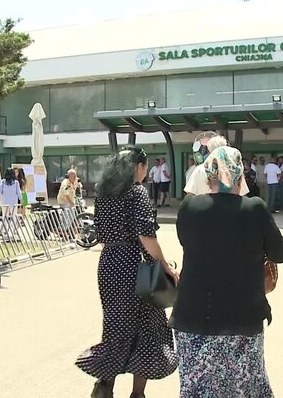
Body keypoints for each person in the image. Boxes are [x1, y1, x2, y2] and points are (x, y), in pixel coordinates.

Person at [172, 146, 283, 397]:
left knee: (197, 389)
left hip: (193, 317)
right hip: (242, 318)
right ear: (240, 176)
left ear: (208, 176)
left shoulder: (189, 208)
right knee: (244, 388)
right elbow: (282, 253)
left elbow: (186, 241)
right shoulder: (255, 208)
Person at [75, 145, 179, 398]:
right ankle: (137, 394)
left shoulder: (103, 194)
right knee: (148, 327)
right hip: (134, 265)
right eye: (144, 167)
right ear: (138, 167)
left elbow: (99, 232)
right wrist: (166, 266)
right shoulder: (137, 193)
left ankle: (104, 387)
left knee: (115, 326)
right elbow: (147, 236)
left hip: (109, 262)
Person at [183, 132, 249, 196]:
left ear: (209, 150)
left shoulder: (199, 169)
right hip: (231, 206)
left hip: (204, 206)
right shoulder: (235, 168)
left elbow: (190, 194)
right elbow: (243, 193)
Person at [0, 168, 22, 242]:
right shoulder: (16, 182)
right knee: (14, 216)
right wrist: (21, 200)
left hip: (4, 202)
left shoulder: (3, 182)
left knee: (4, 217)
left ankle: (4, 232)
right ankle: (14, 232)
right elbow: (19, 193)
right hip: (13, 202)